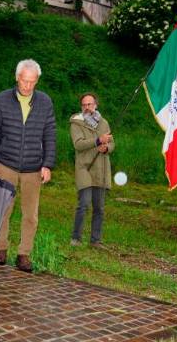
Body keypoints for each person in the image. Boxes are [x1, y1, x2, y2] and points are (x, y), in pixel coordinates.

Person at [0, 59, 56, 272]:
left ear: (37, 81)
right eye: (25, 81)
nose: (28, 86)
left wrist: (48, 164)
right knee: (2, 209)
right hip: (5, 163)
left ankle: (24, 254)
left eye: (32, 82)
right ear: (17, 78)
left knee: (30, 215)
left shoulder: (45, 102)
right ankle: (1, 249)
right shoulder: (1, 99)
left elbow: (50, 134)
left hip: (33, 167)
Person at [70, 93, 114, 247]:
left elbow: (112, 143)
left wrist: (106, 148)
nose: (87, 107)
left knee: (99, 208)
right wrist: (97, 141)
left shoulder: (104, 123)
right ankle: (76, 238)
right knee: (83, 204)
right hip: (85, 168)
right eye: (84, 105)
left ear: (96, 105)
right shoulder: (76, 123)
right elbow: (78, 144)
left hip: (101, 169)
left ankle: (95, 241)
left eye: (89, 104)